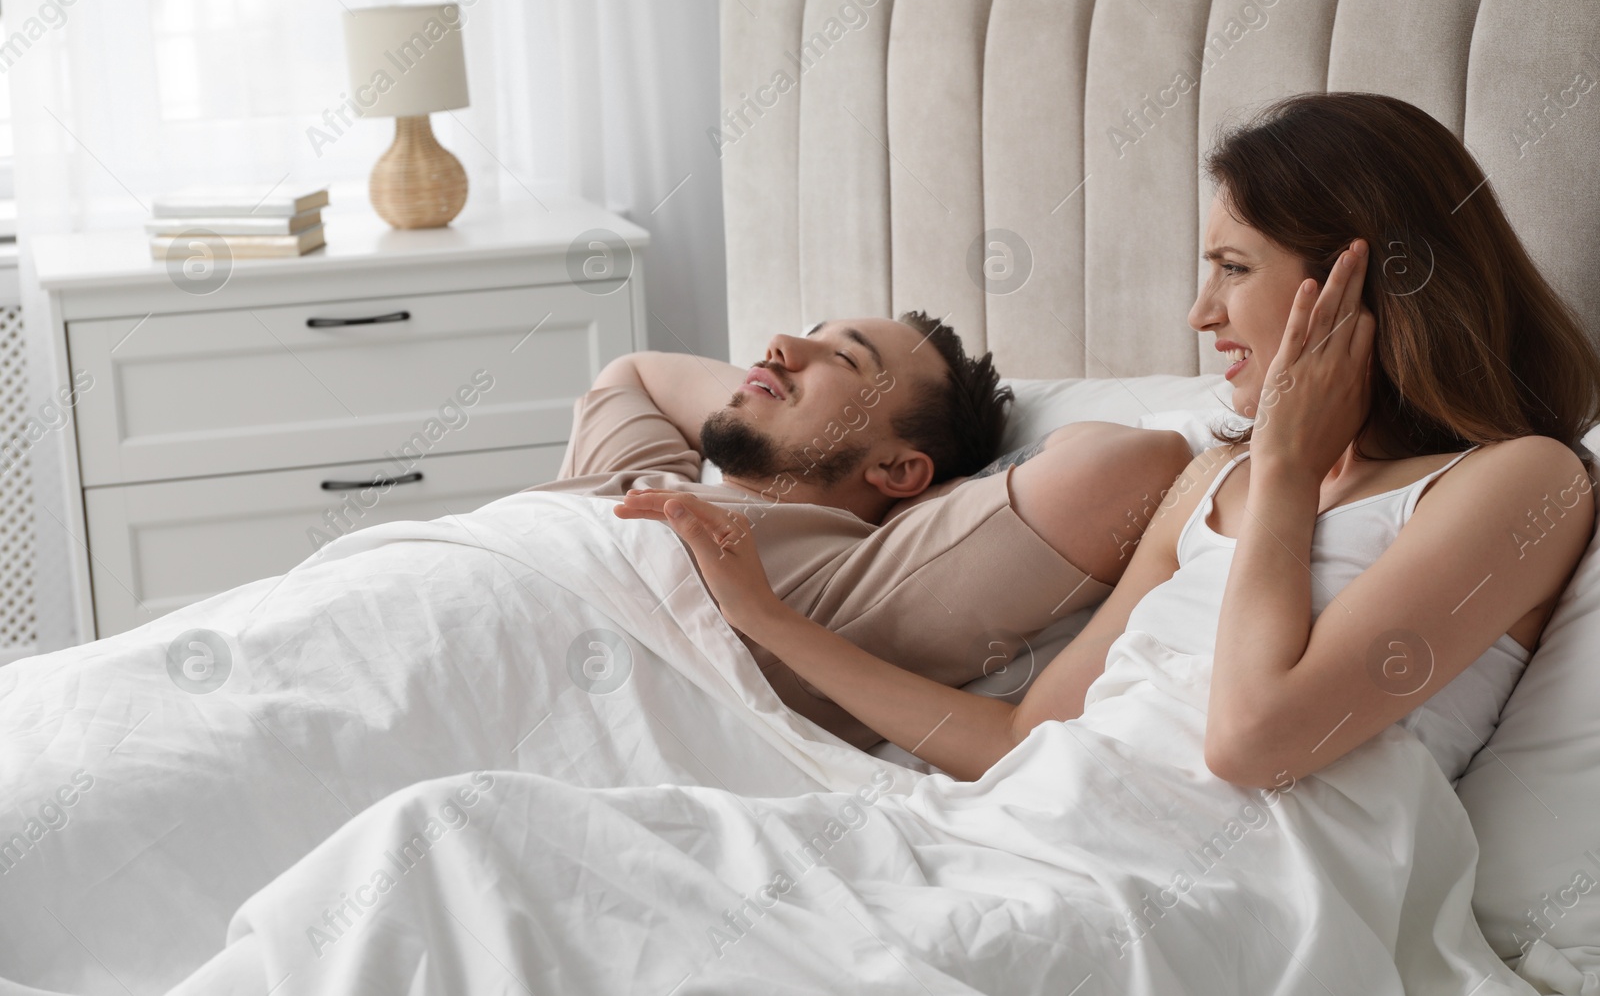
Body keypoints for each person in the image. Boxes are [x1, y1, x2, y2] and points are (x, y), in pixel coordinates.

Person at [620, 91, 1600, 786]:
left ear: (1362, 281)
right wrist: (768, 619)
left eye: (1230, 267)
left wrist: (1293, 469)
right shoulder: (1212, 480)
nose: (1199, 312)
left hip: (1225, 892)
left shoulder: (1521, 481)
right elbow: (1021, 738)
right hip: (1037, 830)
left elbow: (1253, 744)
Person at [538, 311, 1192, 748]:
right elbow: (633, 373)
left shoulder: (848, 578)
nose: (781, 347)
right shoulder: (641, 482)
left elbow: (1137, 463)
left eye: (845, 359)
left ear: (901, 471)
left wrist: (929, 498)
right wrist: (774, 385)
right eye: (807, 333)